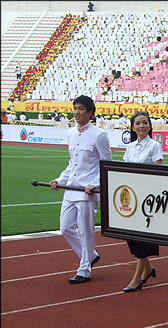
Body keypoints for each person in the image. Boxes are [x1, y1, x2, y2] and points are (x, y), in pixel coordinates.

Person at [50, 95, 112, 283]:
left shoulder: (99, 135)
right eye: (75, 108)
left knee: (86, 231)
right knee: (66, 227)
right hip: (71, 188)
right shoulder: (71, 133)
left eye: (81, 109)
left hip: (87, 191)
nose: (77, 112)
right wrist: (60, 180)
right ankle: (91, 256)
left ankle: (84, 269)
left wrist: (97, 184)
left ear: (90, 112)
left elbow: (106, 164)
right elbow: (73, 163)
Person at [121, 111, 163, 292]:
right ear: (132, 127)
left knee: (142, 237)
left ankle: (137, 278)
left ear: (150, 126)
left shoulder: (154, 146)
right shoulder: (130, 147)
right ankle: (148, 268)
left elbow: (158, 170)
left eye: (145, 123)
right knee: (129, 234)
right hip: (131, 195)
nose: (141, 126)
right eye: (138, 123)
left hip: (146, 196)